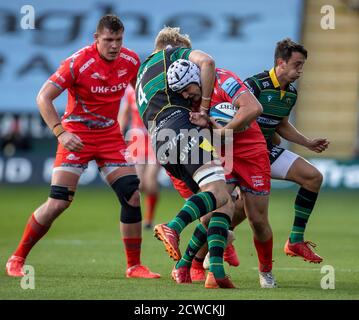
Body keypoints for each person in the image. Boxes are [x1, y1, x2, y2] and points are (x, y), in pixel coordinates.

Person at [5, 15, 160, 279]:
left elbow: (139, 93)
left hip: (110, 136)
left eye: (118, 40)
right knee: (58, 202)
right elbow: (43, 97)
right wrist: (60, 132)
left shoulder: (131, 60)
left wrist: (154, 119)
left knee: (132, 195)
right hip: (76, 135)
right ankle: (17, 258)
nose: (114, 46)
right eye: (108, 40)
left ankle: (134, 266)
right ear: (96, 38)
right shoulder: (78, 63)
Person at [135, 26, 235, 288]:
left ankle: (207, 271)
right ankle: (174, 227)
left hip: (160, 141)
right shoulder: (171, 55)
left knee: (220, 203)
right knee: (221, 194)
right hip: (180, 127)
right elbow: (208, 62)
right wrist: (203, 108)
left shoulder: (141, 74)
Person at [166, 59, 277, 288]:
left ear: (196, 79)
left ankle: (266, 272)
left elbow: (254, 108)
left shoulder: (223, 79)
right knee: (210, 214)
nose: (186, 95)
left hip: (251, 152)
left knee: (257, 220)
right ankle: (189, 266)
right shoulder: (186, 100)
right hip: (220, 153)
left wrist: (225, 130)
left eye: (188, 89)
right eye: (181, 92)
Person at [244, 38, 329, 263]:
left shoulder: (290, 92)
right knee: (233, 213)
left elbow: (281, 124)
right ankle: (195, 260)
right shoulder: (255, 85)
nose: (300, 70)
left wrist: (307, 142)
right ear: (281, 63)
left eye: (302, 66)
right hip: (243, 154)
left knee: (313, 177)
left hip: (266, 151)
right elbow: (233, 115)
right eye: (297, 64)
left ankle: (295, 241)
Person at [119, 86, 161, 229]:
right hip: (137, 139)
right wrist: (118, 135)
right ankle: (138, 216)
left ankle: (149, 220)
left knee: (150, 181)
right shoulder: (130, 92)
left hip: (155, 138)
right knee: (139, 184)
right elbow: (124, 114)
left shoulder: (155, 87)